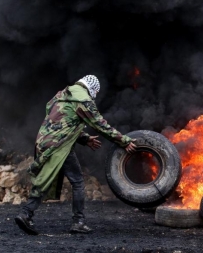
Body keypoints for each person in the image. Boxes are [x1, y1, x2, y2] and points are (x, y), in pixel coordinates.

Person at [15, 75, 137, 235]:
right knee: (77, 181)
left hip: (44, 142)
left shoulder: (62, 95)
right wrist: (125, 141)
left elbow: (63, 122)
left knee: (45, 178)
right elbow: (101, 125)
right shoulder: (84, 100)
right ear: (92, 89)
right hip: (59, 146)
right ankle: (76, 222)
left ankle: (26, 214)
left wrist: (84, 138)